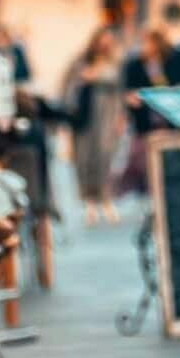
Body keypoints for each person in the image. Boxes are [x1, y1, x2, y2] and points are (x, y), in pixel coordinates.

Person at [64, 29, 125, 224]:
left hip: (107, 118)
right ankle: (89, 203)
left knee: (106, 159)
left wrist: (121, 117)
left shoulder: (115, 63)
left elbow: (120, 88)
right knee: (84, 160)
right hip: (84, 119)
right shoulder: (80, 62)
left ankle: (106, 200)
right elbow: (67, 88)